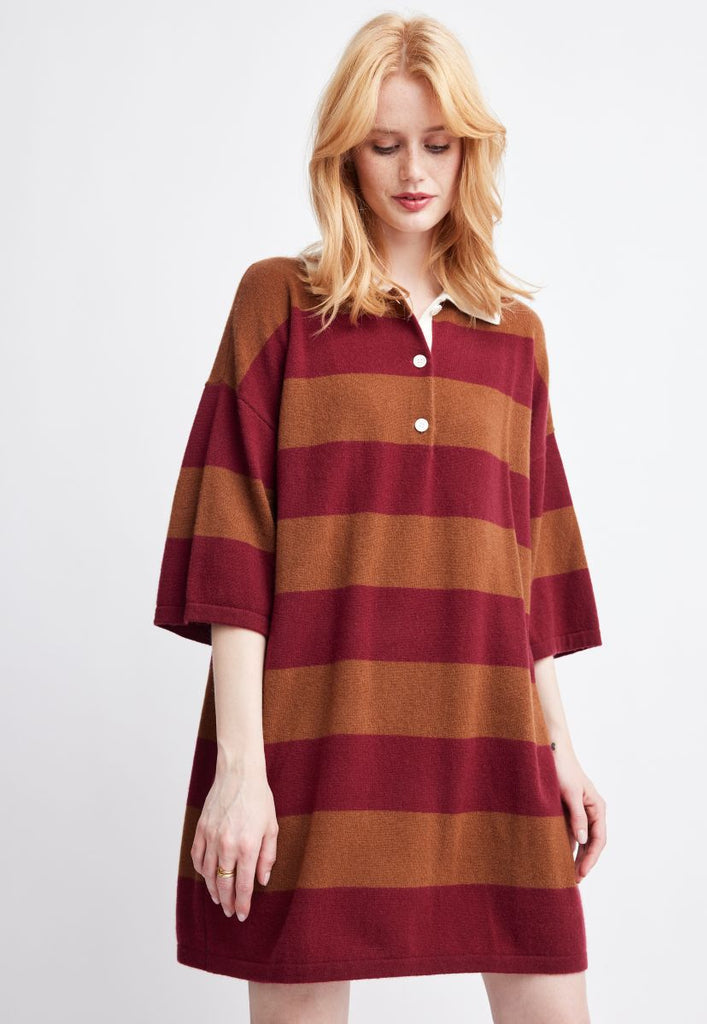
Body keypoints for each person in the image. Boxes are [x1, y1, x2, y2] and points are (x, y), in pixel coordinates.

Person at [153, 12, 606, 1024]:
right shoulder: (281, 303)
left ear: (470, 151)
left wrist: (560, 745)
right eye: (386, 144)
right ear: (345, 154)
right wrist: (241, 770)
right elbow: (233, 546)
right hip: (317, 735)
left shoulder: (515, 337)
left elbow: (525, 565)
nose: (413, 172)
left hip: (489, 738)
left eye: (438, 144)